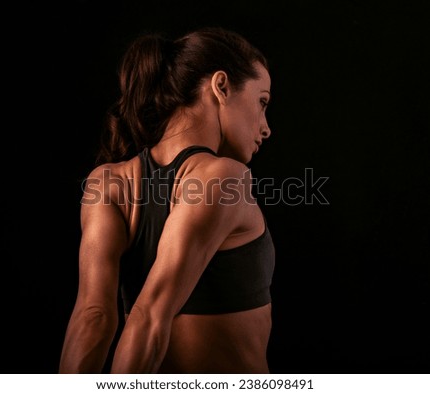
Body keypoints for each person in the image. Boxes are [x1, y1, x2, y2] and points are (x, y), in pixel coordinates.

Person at [59, 26, 275, 374]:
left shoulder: (107, 182)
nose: (266, 127)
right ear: (221, 86)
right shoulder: (225, 177)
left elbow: (93, 318)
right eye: (261, 102)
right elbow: (149, 315)